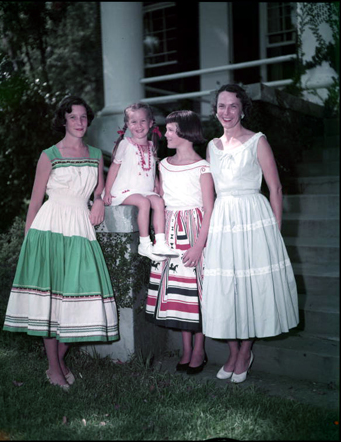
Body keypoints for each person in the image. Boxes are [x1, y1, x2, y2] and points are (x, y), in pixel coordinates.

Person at [3, 96, 120, 391]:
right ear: (63, 121)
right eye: (73, 118)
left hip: (79, 227)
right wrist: (29, 242)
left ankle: (59, 360)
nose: (79, 123)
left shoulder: (96, 154)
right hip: (50, 226)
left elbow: (99, 190)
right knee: (50, 300)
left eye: (83, 117)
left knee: (80, 296)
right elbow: (35, 201)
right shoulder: (49, 155)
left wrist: (97, 201)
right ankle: (54, 368)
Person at [202, 84, 299, 383]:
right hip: (223, 221)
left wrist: (274, 231)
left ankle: (246, 351)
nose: (227, 112)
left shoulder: (257, 141)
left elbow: (276, 189)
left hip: (253, 218)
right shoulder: (211, 146)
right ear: (215, 110)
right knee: (226, 286)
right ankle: (232, 351)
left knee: (251, 284)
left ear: (243, 109)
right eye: (221, 106)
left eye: (233, 106)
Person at [145, 110, 215, 375]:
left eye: (172, 130)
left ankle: (200, 348)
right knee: (178, 293)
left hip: (196, 230)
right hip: (171, 231)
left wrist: (199, 245)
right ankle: (186, 348)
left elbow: (209, 208)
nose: (167, 135)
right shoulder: (163, 164)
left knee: (197, 291)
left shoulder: (203, 167)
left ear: (187, 133)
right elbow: (158, 197)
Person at [103, 102, 179, 262]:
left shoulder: (152, 145)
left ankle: (160, 242)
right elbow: (114, 168)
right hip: (125, 190)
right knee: (143, 203)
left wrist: (158, 186)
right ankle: (144, 244)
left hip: (145, 189)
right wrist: (108, 191)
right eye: (134, 122)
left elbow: (152, 168)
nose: (138, 125)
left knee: (158, 201)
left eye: (143, 121)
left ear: (151, 123)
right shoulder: (125, 144)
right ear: (127, 124)